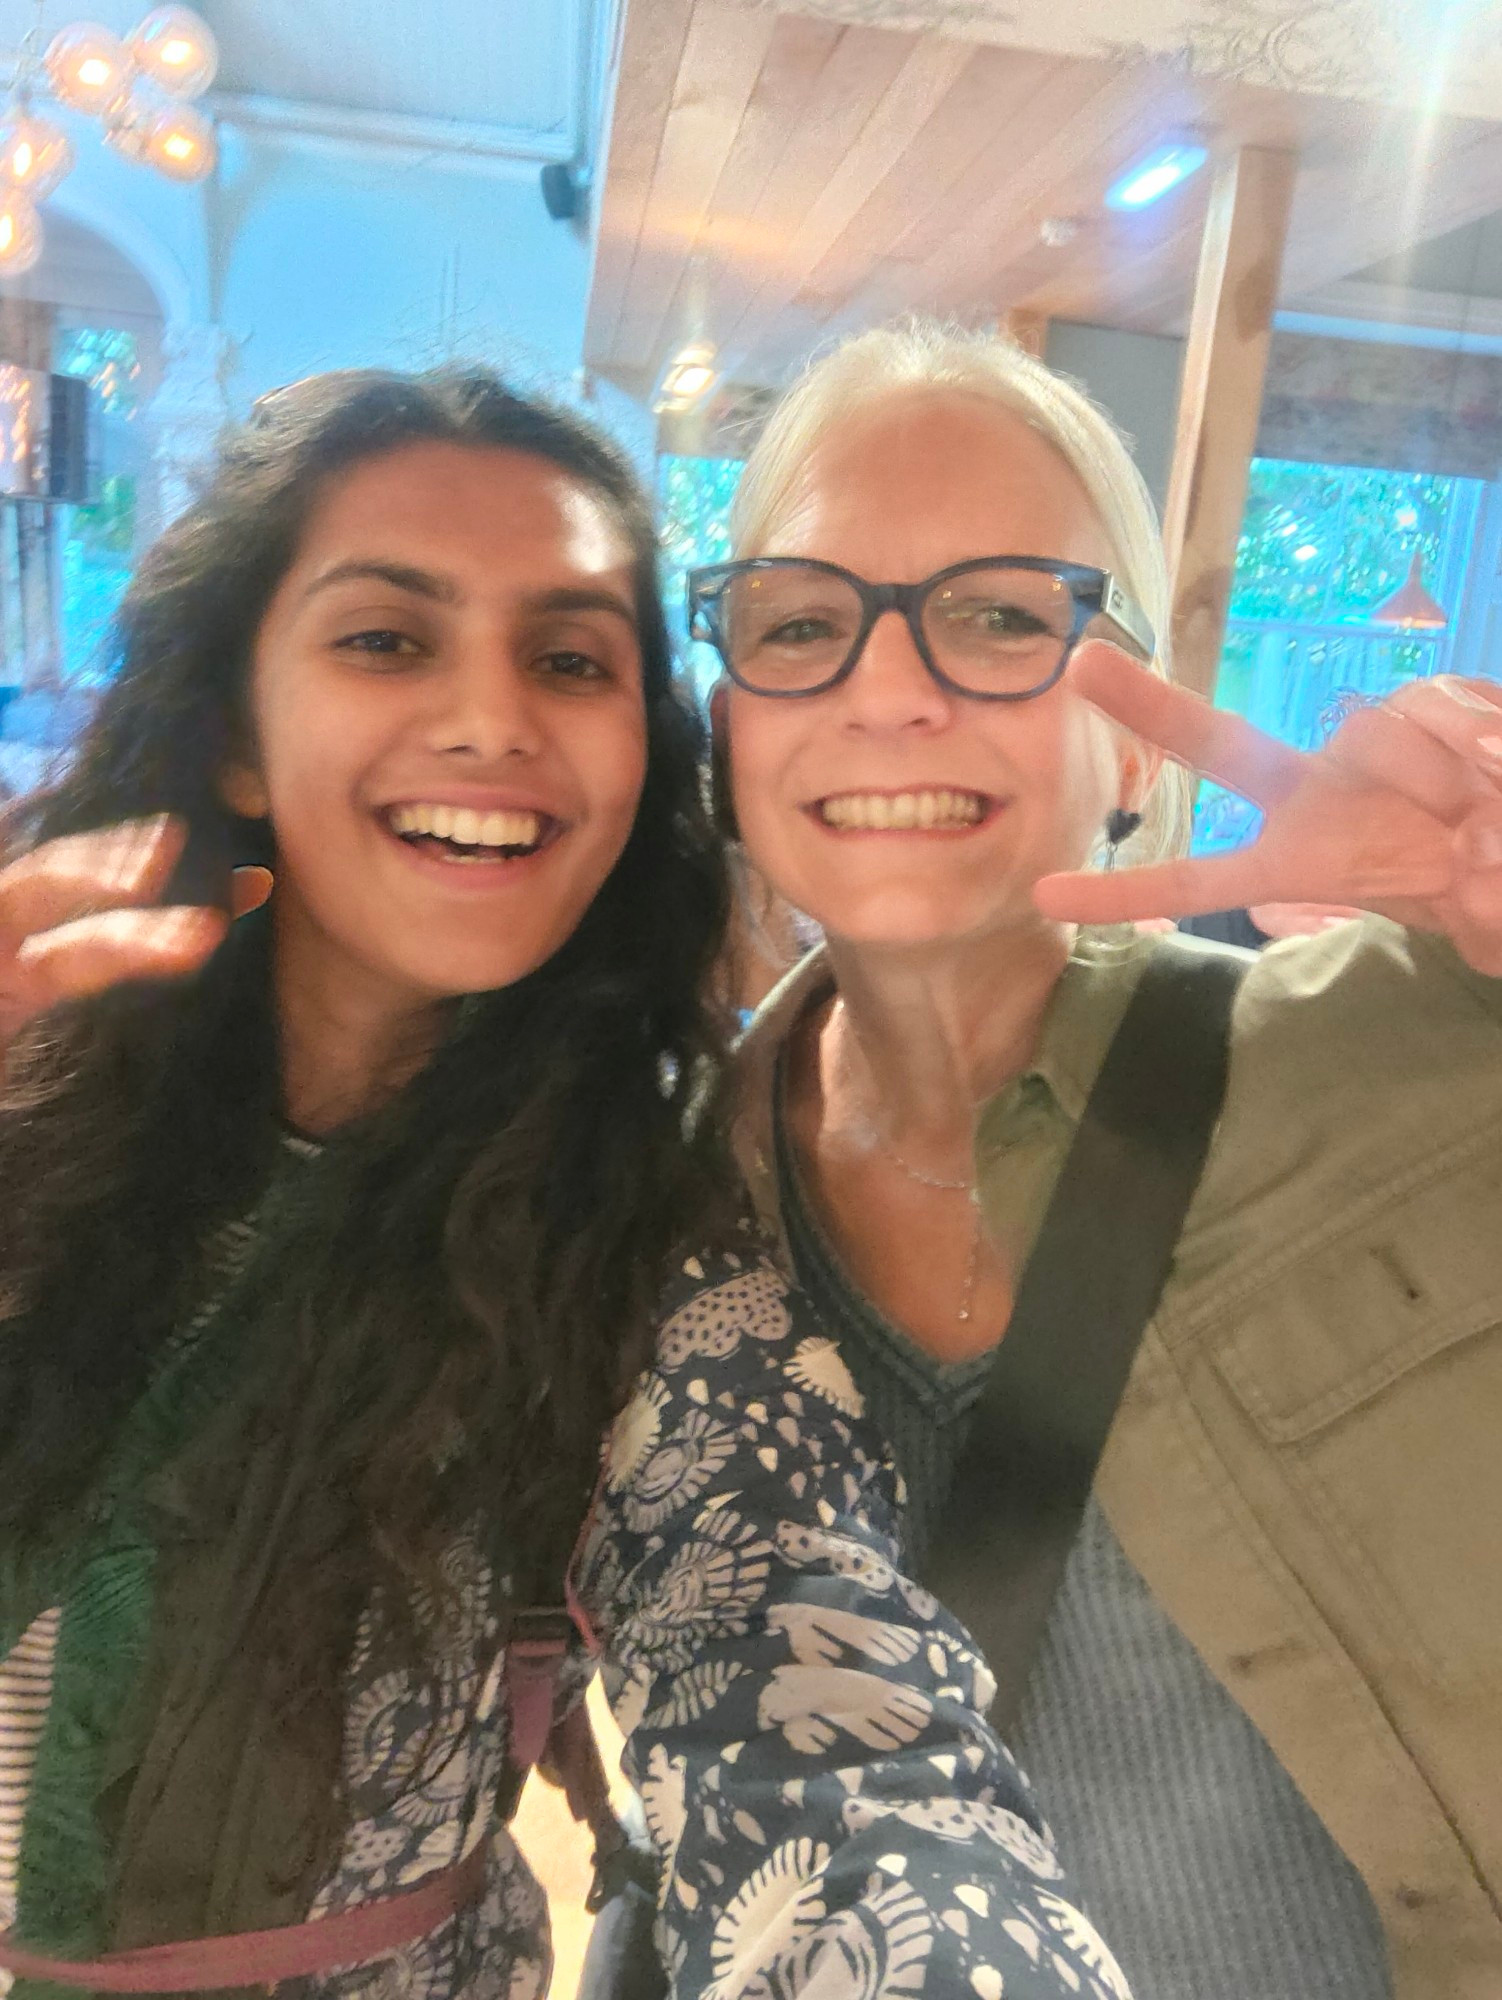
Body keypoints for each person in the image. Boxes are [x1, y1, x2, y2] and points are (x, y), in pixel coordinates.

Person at [0, 364, 1132, 2000]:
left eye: (569, 657)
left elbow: (814, 1707)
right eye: (387, 637)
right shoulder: (31, 1061)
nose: (492, 720)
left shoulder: (648, 1233)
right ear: (240, 733)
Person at [705, 319, 1502, 2000]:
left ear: (1138, 744)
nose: (889, 688)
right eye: (801, 622)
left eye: (1000, 616)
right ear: (731, 725)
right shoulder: (646, 1199)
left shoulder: (1380, 1058)